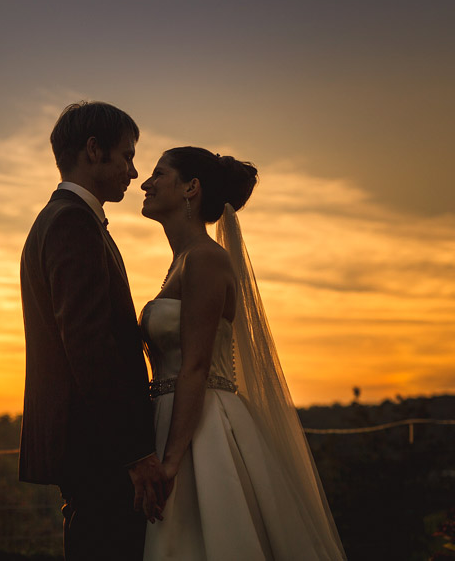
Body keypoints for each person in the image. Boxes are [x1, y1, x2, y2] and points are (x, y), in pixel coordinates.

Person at [139, 146, 346, 560]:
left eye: (159, 174)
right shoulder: (181, 262)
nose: (146, 183)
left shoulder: (206, 260)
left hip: (199, 430)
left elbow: (196, 365)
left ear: (190, 188)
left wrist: (172, 464)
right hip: (168, 418)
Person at [19, 101, 168, 560]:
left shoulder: (64, 219)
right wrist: (134, 453)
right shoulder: (71, 223)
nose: (133, 169)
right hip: (97, 444)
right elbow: (88, 345)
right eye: (126, 155)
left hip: (90, 440)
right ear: (93, 150)